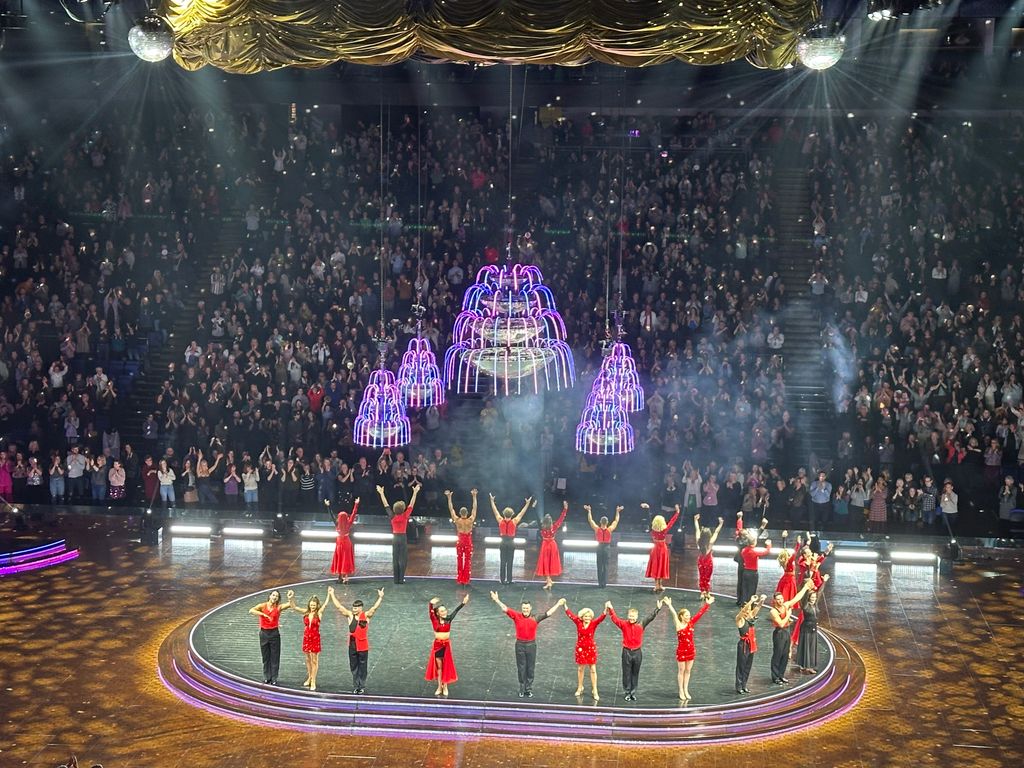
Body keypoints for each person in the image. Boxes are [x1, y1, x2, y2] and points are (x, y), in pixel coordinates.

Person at [490, 591, 562, 698]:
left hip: (531, 645)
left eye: (527, 608)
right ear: (522, 608)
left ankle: (528, 688)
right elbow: (505, 608)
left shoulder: (535, 618)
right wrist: (496, 600)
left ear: (530, 608)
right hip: (520, 645)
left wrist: (558, 604)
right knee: (521, 667)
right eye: (524, 608)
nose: (525, 610)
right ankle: (522, 687)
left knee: (530, 668)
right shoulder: (517, 616)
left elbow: (548, 613)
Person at [328, 586, 384, 694]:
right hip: (352, 646)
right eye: (353, 608)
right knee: (354, 666)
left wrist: (380, 597)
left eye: (356, 608)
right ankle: (356, 685)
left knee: (362, 666)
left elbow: (374, 608)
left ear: (360, 608)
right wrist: (332, 594)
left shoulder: (366, 616)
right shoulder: (350, 616)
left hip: (363, 646)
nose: (353, 610)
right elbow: (339, 607)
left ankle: (361, 686)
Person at [605, 600, 663, 701]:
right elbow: (615, 619)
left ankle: (633, 692)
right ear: (628, 616)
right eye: (630, 616)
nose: (631, 618)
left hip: (637, 653)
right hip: (627, 652)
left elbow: (650, 617)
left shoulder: (641, 624)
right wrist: (611, 608)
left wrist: (657, 609)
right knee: (626, 673)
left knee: (635, 673)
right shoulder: (624, 624)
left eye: (633, 616)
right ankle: (627, 692)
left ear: (636, 616)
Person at [662, 594, 714, 702]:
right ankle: (680, 690)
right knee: (681, 671)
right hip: (682, 651)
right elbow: (674, 615)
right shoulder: (679, 625)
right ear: (682, 617)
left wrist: (707, 604)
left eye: (689, 615)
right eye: (686, 615)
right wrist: (670, 605)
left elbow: (699, 614)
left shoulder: (691, 623)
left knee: (688, 671)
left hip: (691, 650)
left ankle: (686, 689)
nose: (689, 617)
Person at [768, 579, 814, 685]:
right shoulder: (773, 611)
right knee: (778, 654)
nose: (780, 601)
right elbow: (781, 624)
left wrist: (805, 588)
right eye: (778, 599)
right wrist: (788, 615)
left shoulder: (786, 605)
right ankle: (775, 677)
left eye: (781, 598)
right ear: (774, 601)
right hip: (779, 633)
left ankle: (781, 675)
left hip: (787, 631)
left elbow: (797, 597)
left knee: (785, 654)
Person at [248, 589, 295, 685]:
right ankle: (267, 676)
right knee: (266, 656)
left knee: (275, 656)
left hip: (274, 633)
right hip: (264, 633)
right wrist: (262, 614)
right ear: (270, 596)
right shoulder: (262, 606)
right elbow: (251, 610)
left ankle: (274, 678)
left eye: (276, 596)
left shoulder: (278, 607)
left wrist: (290, 598)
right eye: (273, 595)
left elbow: (291, 605)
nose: (274, 597)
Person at [377, 482, 420, 584]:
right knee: (403, 558)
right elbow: (411, 504)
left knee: (395, 558)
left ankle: (396, 579)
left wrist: (381, 493)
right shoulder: (405, 516)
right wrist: (415, 493)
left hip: (395, 538)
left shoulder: (392, 516)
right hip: (402, 537)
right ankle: (401, 579)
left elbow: (386, 505)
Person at [426, 594, 469, 697]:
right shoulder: (434, 620)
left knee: (445, 666)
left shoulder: (449, 619)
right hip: (437, 646)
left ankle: (445, 686)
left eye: (445, 610)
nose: (445, 612)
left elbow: (456, 611)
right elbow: (430, 612)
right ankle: (439, 686)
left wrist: (463, 603)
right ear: (438, 613)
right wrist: (431, 604)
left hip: (446, 646)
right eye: (442, 611)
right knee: (439, 667)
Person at [564, 601, 607, 701]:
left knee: (593, 669)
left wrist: (606, 608)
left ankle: (595, 690)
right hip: (580, 649)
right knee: (580, 669)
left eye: (588, 616)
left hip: (590, 648)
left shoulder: (593, 623)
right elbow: (570, 615)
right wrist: (565, 605)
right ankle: (580, 687)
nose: (587, 618)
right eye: (585, 616)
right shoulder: (578, 622)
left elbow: (602, 618)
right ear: (582, 617)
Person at [288, 593, 328, 691]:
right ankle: (309, 677)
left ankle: (313, 680)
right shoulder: (306, 612)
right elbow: (294, 607)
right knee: (307, 659)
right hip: (306, 637)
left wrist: (329, 595)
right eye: (311, 605)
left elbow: (325, 605)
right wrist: (291, 598)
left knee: (314, 660)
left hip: (315, 638)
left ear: (317, 605)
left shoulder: (319, 613)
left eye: (314, 605)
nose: (312, 607)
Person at [491, 493, 532, 584]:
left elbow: (495, 511)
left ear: (504, 514)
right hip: (511, 542)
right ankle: (509, 580)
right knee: (510, 561)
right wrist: (527, 503)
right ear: (512, 514)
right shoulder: (514, 521)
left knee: (503, 561)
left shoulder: (500, 520)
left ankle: (502, 580)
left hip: (503, 542)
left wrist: (492, 501)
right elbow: (522, 512)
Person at [735, 594, 767, 694]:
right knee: (741, 666)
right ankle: (739, 686)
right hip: (743, 645)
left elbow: (758, 607)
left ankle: (744, 685)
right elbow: (742, 613)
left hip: (751, 644)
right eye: (746, 609)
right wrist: (750, 601)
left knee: (748, 666)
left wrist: (761, 600)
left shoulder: (751, 617)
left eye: (749, 609)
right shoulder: (739, 619)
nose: (748, 611)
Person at [645, 504, 681, 593]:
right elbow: (672, 522)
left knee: (655, 567)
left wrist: (648, 508)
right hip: (662, 550)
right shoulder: (664, 531)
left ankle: (657, 585)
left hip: (655, 549)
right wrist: (677, 512)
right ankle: (659, 585)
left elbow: (649, 518)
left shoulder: (653, 530)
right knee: (660, 567)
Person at [446, 488, 478, 585]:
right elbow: (474, 508)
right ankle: (466, 580)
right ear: (466, 513)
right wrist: (474, 496)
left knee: (460, 559)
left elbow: (451, 509)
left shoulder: (457, 520)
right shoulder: (470, 520)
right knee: (467, 560)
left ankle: (460, 579)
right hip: (468, 541)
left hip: (460, 541)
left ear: (460, 513)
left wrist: (449, 498)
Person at [585, 504, 621, 588]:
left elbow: (590, 520)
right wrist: (617, 511)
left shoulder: (597, 529)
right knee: (605, 566)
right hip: (606, 548)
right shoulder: (609, 529)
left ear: (600, 522)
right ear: (607, 522)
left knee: (599, 565)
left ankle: (600, 583)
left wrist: (589, 511)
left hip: (599, 547)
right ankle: (604, 584)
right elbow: (616, 520)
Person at [535, 500, 569, 590]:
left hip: (545, 545)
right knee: (550, 563)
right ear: (550, 522)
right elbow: (561, 519)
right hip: (553, 545)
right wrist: (565, 509)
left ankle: (549, 581)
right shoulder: (554, 527)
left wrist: (534, 507)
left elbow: (537, 519)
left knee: (545, 563)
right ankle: (549, 580)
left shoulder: (542, 528)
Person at [693, 513, 725, 600]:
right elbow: (717, 532)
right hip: (708, 561)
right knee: (707, 577)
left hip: (701, 561)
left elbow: (697, 530)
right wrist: (721, 523)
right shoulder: (711, 542)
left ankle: (702, 592)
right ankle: (707, 592)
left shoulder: (698, 540)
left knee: (701, 576)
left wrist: (695, 520)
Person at [737, 529, 773, 606]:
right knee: (752, 591)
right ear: (754, 542)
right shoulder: (754, 551)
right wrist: (769, 545)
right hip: (753, 573)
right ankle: (750, 608)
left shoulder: (744, 550)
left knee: (745, 589)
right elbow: (766, 552)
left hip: (745, 572)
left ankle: (744, 605)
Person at [794, 585, 824, 675]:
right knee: (806, 646)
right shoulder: (806, 606)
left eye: (815, 597)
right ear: (808, 598)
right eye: (812, 597)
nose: (814, 598)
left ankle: (810, 666)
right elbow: (802, 597)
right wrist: (806, 588)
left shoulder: (815, 605)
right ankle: (804, 666)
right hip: (806, 629)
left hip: (813, 629)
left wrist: (824, 582)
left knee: (812, 647)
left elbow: (820, 593)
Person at [329, 497, 360, 583]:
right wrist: (356, 504)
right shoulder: (348, 523)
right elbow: (354, 514)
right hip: (346, 542)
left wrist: (328, 506)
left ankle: (340, 576)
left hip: (339, 542)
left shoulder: (337, 524)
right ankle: (345, 577)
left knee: (339, 558)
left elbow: (331, 516)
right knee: (346, 559)